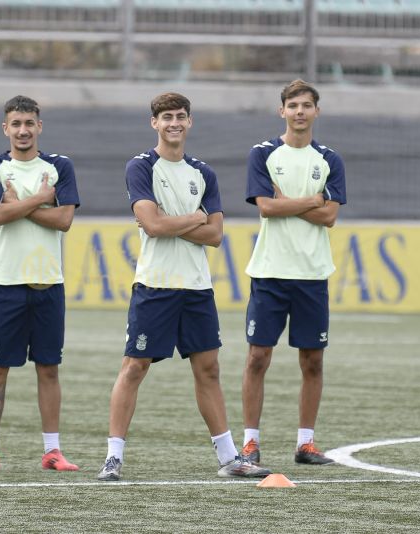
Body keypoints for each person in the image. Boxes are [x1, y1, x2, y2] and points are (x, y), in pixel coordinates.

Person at [97, 92, 271, 482]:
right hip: (155, 286)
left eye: (180, 116)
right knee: (135, 367)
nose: (174, 123)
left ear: (189, 122)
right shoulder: (140, 167)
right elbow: (154, 227)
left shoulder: (203, 173)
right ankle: (113, 457)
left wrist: (173, 221)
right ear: (154, 123)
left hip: (196, 288)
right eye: (166, 117)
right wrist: (193, 218)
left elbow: (215, 236)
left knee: (208, 370)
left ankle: (229, 458)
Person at [240, 79, 347, 467]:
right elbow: (266, 208)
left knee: (313, 361)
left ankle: (306, 443)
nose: (299, 111)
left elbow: (330, 216)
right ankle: (250, 442)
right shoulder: (263, 153)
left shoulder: (329, 159)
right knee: (257, 358)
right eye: (293, 105)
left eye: (306, 105)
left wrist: (288, 201)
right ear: (281, 111)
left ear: (317, 111)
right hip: (270, 272)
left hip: (312, 274)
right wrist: (311, 201)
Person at [0, 95, 80, 472]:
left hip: (48, 283)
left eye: (29, 123)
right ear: (6, 128)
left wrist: (19, 205)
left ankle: (52, 451)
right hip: (5, 284)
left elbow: (65, 220)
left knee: (49, 368)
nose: (22, 130)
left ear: (39, 126)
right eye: (15, 124)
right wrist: (40, 201)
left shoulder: (59, 166)